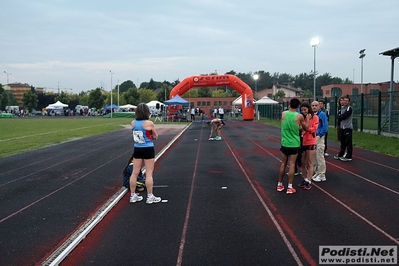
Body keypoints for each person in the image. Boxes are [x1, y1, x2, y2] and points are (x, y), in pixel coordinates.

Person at [129, 103, 161, 204]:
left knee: (135, 172)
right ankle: (150, 196)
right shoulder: (149, 123)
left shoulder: (133, 123)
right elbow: (155, 136)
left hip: (137, 148)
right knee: (149, 173)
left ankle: (133, 195)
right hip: (148, 148)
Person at [277, 98, 308, 194]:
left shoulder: (284, 114)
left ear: (289, 104)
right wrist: (309, 120)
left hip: (285, 142)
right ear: (298, 106)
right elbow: (305, 129)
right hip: (294, 143)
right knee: (292, 164)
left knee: (283, 163)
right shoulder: (299, 116)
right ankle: (290, 187)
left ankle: (279, 185)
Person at [298, 102, 319, 191]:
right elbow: (300, 128)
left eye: (305, 110)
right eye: (302, 110)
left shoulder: (314, 117)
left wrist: (307, 127)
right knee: (302, 163)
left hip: (311, 142)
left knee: (310, 162)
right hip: (302, 142)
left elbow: (313, 129)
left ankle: (309, 181)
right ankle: (305, 179)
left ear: (308, 109)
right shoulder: (301, 118)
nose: (303, 111)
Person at [311, 101, 328, 182]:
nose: (314, 107)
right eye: (313, 105)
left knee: (319, 154)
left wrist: (320, 134)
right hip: (312, 136)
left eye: (316, 105)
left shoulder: (322, 115)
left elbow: (325, 126)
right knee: (314, 156)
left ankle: (322, 174)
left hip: (319, 136)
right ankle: (317, 172)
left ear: (319, 106)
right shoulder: (311, 115)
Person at [334, 95, 353, 162]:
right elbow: (337, 116)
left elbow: (344, 116)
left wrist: (340, 116)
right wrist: (339, 117)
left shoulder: (349, 108)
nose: (344, 102)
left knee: (348, 142)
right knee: (342, 142)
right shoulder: (340, 108)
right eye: (344, 100)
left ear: (349, 102)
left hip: (347, 127)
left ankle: (349, 156)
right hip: (342, 127)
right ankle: (341, 153)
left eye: (346, 101)